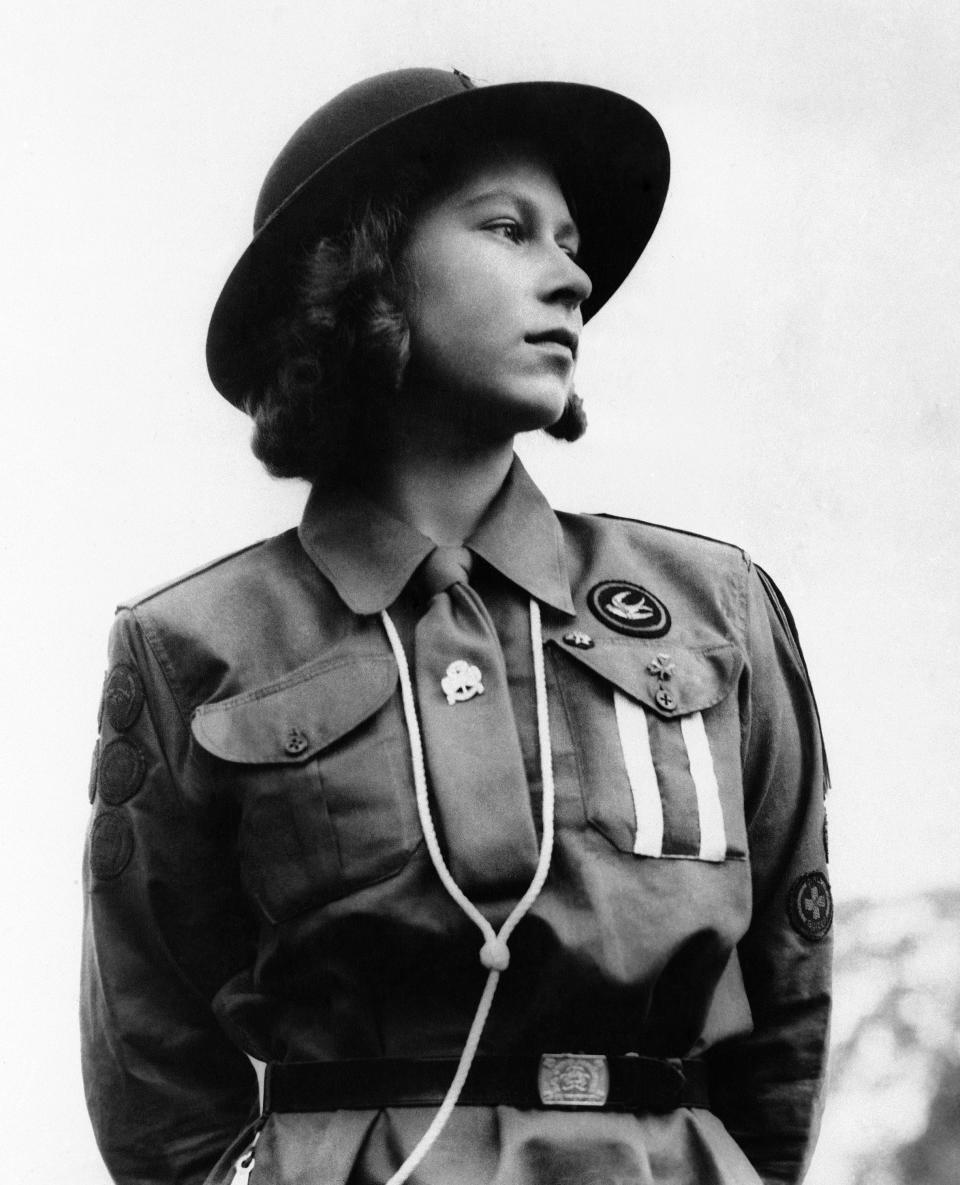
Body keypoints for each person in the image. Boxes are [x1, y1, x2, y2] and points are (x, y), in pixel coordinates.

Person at [81, 67, 832, 1185]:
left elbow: (786, 997)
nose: (572, 277)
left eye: (571, 241)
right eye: (507, 230)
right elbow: (152, 1065)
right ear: (362, 277)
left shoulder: (710, 606)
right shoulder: (198, 643)